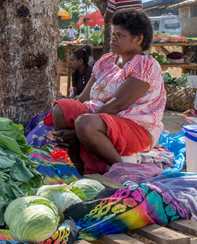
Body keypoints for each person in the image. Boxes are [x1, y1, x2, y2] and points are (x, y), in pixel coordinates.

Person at [46, 9, 166, 176]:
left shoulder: (145, 64)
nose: (113, 38)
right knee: (62, 109)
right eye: (113, 34)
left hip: (136, 128)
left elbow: (117, 104)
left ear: (138, 39)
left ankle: (121, 171)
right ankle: (82, 169)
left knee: (85, 124)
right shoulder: (106, 61)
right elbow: (83, 98)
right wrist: (69, 119)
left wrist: (76, 132)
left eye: (120, 35)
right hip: (101, 119)